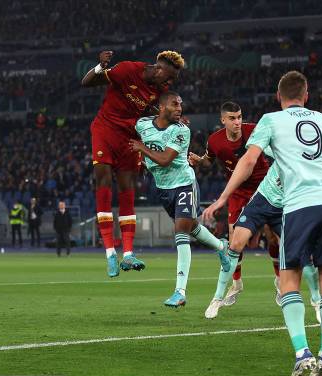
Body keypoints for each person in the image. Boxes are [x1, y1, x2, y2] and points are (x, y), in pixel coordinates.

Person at [203, 71, 322, 376]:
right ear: (306, 95)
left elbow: (250, 160)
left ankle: (302, 353)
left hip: (298, 204)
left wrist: (222, 197)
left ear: (278, 97)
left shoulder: (270, 120)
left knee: (289, 279)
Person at [82, 49, 185, 277]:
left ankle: (128, 254)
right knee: (104, 180)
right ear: (158, 69)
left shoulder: (160, 90)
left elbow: (155, 112)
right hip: (106, 129)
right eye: (167, 77)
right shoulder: (128, 69)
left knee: (128, 189)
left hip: (130, 137)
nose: (168, 83)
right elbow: (86, 82)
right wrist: (100, 66)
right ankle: (110, 252)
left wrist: (176, 119)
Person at [129, 91, 231, 307]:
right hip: (163, 188)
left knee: (181, 232)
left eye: (181, 105)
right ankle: (222, 247)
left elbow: (165, 159)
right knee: (192, 227)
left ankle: (180, 291)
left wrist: (141, 149)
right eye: (175, 105)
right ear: (162, 106)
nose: (179, 109)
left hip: (184, 183)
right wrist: (138, 158)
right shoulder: (143, 125)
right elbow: (127, 131)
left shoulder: (182, 130)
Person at [195, 147, 321, 320]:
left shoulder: (312, 173)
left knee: (303, 253)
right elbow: (255, 148)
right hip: (261, 201)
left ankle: (317, 302)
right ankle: (217, 298)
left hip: (283, 208)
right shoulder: (284, 148)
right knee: (235, 245)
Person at [190, 101, 278, 306]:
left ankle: (279, 281)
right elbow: (208, 161)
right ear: (223, 120)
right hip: (238, 190)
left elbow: (275, 148)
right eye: (232, 118)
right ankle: (237, 283)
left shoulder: (254, 130)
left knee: (272, 236)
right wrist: (199, 160)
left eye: (239, 117)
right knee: (234, 238)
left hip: (263, 187)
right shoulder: (215, 141)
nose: (238, 122)